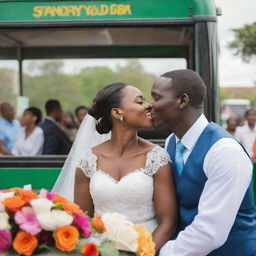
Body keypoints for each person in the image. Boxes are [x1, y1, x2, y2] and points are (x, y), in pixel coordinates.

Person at [53, 82, 178, 252]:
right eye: (140, 102)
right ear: (117, 112)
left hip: (149, 249)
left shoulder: (157, 158)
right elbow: (84, 221)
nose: (149, 105)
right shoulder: (88, 161)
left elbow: (168, 222)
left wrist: (144, 253)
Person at [151, 69, 256, 256]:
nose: (150, 105)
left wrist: (155, 252)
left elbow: (210, 232)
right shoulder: (171, 142)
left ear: (182, 101)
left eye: (156, 98)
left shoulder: (224, 151)